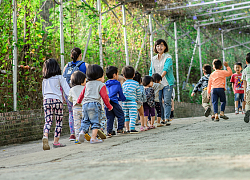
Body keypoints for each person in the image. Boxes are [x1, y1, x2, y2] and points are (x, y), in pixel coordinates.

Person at [77, 64, 112, 144]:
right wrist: (109, 106)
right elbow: (105, 97)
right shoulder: (101, 85)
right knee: (95, 122)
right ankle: (93, 138)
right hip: (95, 105)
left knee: (85, 121)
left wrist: (78, 101)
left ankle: (82, 132)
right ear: (99, 76)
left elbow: (82, 94)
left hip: (85, 104)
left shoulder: (87, 84)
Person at [42, 58, 70, 150]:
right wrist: (73, 98)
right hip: (57, 101)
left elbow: (43, 93)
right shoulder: (59, 77)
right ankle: (56, 141)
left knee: (48, 121)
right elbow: (67, 90)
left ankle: (45, 136)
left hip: (46, 101)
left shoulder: (44, 80)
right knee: (58, 122)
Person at [63, 47, 89, 141]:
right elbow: (90, 79)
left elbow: (63, 80)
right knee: (85, 111)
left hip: (69, 92)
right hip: (83, 92)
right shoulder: (85, 65)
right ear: (80, 55)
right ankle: (85, 131)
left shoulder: (67, 66)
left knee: (72, 112)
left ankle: (72, 134)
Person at [149, 39, 175, 126]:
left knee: (167, 100)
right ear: (155, 47)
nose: (159, 47)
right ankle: (162, 118)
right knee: (158, 101)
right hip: (157, 84)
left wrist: (159, 78)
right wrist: (151, 81)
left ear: (165, 47)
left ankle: (167, 118)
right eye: (157, 45)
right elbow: (151, 71)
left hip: (167, 83)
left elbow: (166, 69)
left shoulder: (168, 58)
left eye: (161, 45)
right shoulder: (153, 59)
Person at [105, 66, 126, 137]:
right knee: (121, 115)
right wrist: (123, 99)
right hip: (114, 102)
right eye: (117, 73)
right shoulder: (117, 83)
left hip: (107, 102)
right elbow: (121, 94)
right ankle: (120, 129)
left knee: (110, 117)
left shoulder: (105, 84)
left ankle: (109, 131)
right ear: (114, 75)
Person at [68, 71, 86, 144]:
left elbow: (70, 99)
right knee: (85, 122)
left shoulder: (72, 89)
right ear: (81, 80)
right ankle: (84, 134)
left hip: (75, 108)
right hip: (84, 108)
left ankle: (77, 137)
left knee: (76, 124)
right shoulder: (85, 88)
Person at [122, 66, 141, 134]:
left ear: (124, 76)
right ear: (133, 75)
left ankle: (127, 129)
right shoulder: (136, 83)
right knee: (133, 115)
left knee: (126, 116)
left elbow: (122, 92)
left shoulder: (123, 84)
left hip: (124, 102)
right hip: (132, 102)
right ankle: (132, 128)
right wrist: (137, 99)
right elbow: (139, 93)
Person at [242, 53, 250, 123]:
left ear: (246, 61)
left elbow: (244, 82)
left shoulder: (245, 70)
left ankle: (247, 111)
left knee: (248, 103)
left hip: (249, 89)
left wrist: (244, 93)